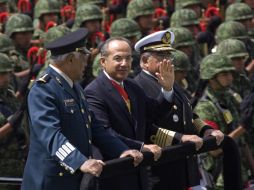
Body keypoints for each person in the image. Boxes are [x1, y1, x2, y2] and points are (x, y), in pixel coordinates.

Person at [21, 28, 143, 190]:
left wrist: (122, 150)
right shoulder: (44, 89)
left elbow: (95, 127)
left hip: (74, 178)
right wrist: (79, 161)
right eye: (84, 58)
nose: (86, 64)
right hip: (51, 181)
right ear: (71, 59)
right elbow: (50, 135)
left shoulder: (74, 87)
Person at [84, 33, 181, 189]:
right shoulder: (94, 92)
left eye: (128, 58)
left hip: (138, 171)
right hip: (115, 172)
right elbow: (104, 131)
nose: (124, 63)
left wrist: (167, 89)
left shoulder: (132, 86)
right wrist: (141, 146)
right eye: (118, 58)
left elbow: (154, 113)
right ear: (103, 62)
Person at [134, 32, 224, 190]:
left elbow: (188, 114)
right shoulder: (138, 87)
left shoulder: (170, 81)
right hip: (162, 169)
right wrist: (180, 138)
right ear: (145, 61)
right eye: (161, 56)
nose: (167, 60)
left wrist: (206, 130)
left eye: (169, 55)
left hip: (186, 165)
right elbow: (147, 129)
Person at [194, 53, 254, 190]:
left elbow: (242, 143)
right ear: (212, 77)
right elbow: (214, 150)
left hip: (240, 173)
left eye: (230, 73)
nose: (230, 78)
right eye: (224, 74)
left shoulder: (231, 98)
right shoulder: (205, 108)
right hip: (221, 178)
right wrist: (242, 128)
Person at [0, 53, 27, 190]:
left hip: (18, 163)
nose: (5, 78)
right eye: (1, 74)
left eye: (7, 73)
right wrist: (9, 126)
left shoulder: (9, 95)